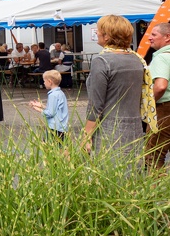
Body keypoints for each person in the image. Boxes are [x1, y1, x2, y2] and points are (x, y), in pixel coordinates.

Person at [84, 15, 146, 157]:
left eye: (98, 30)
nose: (97, 33)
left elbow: (96, 105)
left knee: (109, 174)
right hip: (134, 127)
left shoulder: (102, 61)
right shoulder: (136, 59)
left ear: (106, 36)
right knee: (131, 174)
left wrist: (86, 135)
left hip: (109, 128)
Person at [145, 22, 170, 170]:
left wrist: (148, 103)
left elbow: (160, 86)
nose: (149, 38)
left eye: (154, 34)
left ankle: (156, 191)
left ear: (167, 37)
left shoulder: (162, 58)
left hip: (164, 109)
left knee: (153, 155)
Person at [30, 70, 69, 142]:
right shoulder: (60, 93)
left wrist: (39, 110)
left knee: (47, 146)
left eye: (44, 81)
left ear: (50, 81)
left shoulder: (52, 95)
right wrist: (41, 105)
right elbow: (56, 108)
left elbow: (50, 113)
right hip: (62, 126)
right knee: (62, 147)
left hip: (54, 127)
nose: (44, 83)